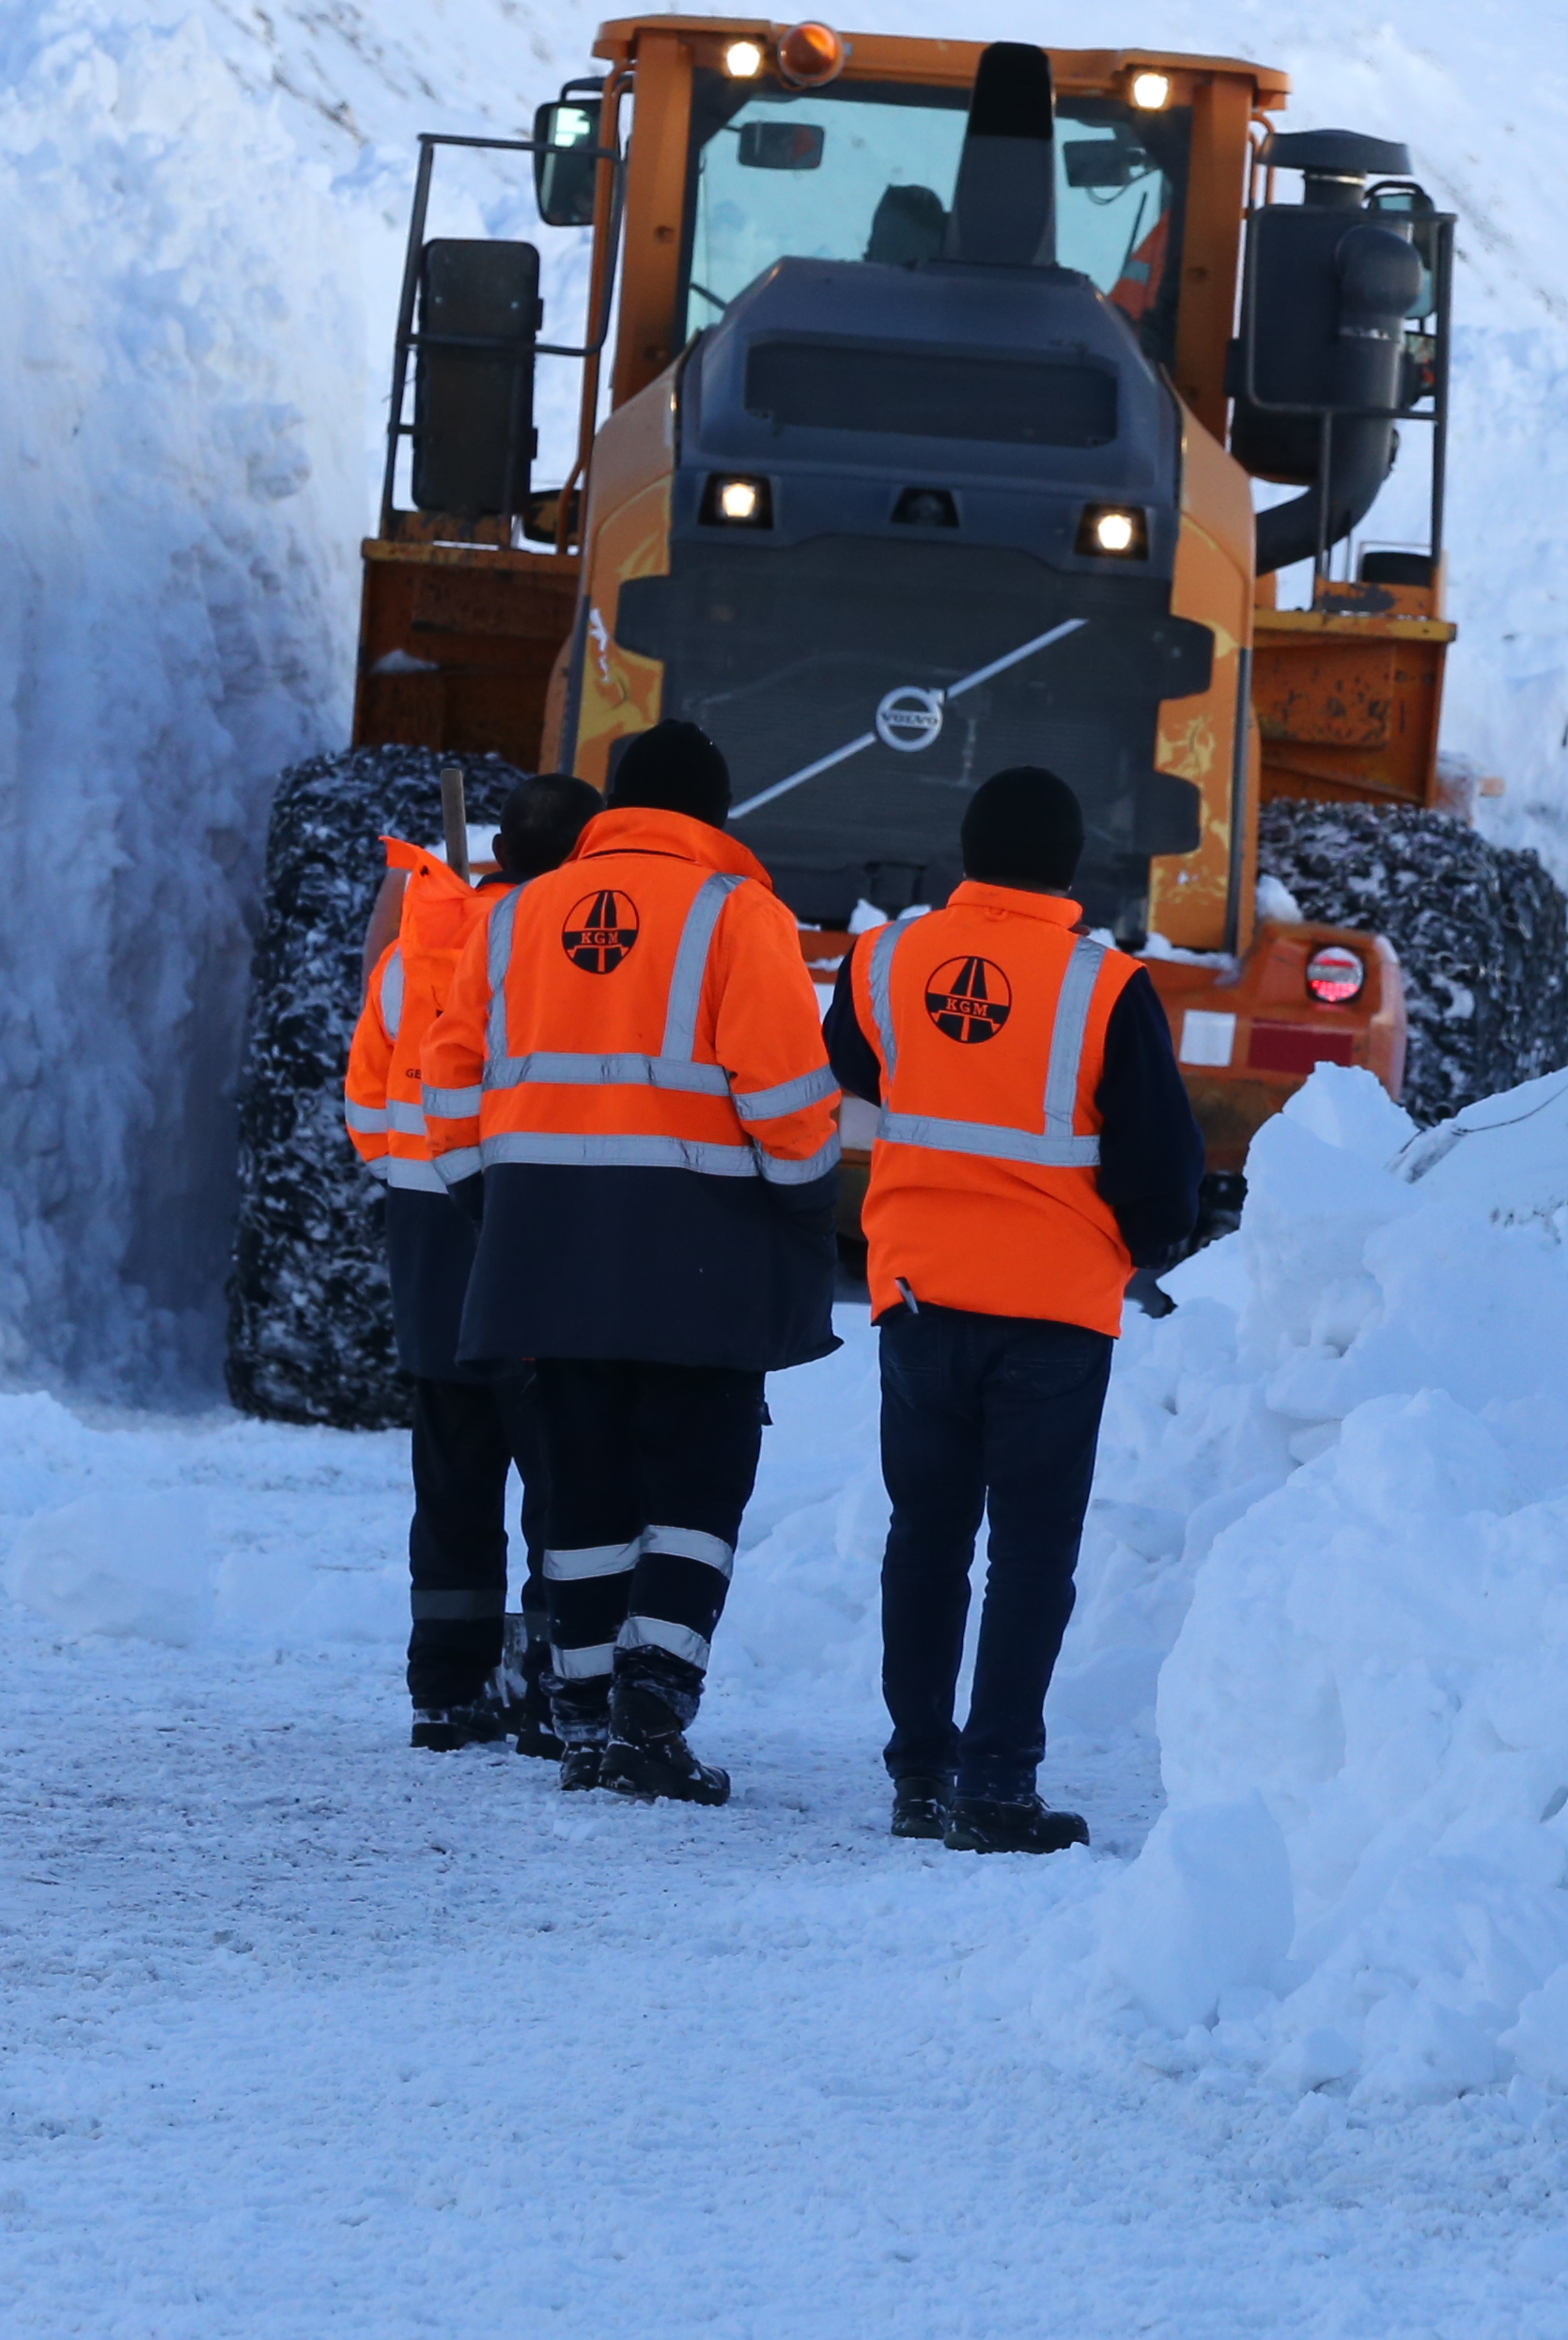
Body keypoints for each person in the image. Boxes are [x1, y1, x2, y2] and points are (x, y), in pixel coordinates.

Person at [435, 721, 846, 1804]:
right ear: (711, 817)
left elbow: (450, 1076)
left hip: (548, 1248)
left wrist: (500, 1201)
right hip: (699, 1251)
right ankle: (650, 1721)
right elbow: (786, 1097)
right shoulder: (734, 912)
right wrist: (810, 1205)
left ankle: (578, 1720)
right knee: (699, 1487)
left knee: (583, 1488)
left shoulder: (514, 914)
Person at [825, 765, 1203, 1854]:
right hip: (1051, 1312)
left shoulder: (887, 958)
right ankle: (998, 1787)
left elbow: (852, 1061)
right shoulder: (1105, 987)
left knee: (925, 1540)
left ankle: (919, 1778)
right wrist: (1139, 1246)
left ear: (967, 850)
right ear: (1070, 867)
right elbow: (1163, 1171)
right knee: (1031, 1554)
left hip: (918, 1297)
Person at [358, 770, 598, 1755]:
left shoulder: (419, 951)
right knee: (561, 1480)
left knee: (450, 1486)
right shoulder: (568, 957)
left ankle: (446, 1692)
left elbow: (371, 1113)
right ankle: (552, 1687)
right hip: (527, 1241)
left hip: (425, 1250)